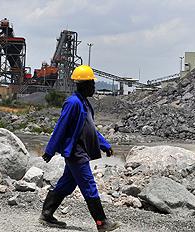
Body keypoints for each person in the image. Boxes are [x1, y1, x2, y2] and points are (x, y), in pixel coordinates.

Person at [39, 65, 120, 231]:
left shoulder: (85, 104)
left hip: (80, 151)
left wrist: (105, 145)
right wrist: (50, 150)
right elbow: (61, 126)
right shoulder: (73, 103)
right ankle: (101, 222)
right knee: (89, 185)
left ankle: (46, 214)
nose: (94, 87)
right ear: (83, 84)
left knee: (66, 185)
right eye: (91, 83)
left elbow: (89, 129)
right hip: (76, 152)